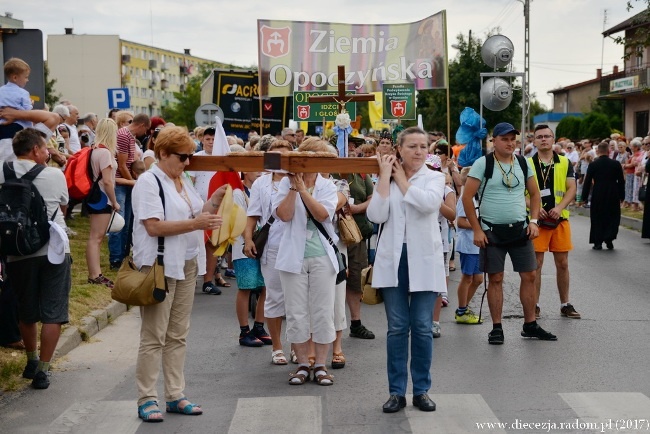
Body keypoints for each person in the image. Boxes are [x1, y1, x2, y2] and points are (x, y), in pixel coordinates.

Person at [132, 126, 225, 422]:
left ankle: (175, 394)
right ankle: (147, 397)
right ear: (163, 154)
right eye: (183, 157)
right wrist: (197, 224)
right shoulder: (148, 182)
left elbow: (198, 212)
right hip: (159, 265)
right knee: (153, 335)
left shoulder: (182, 179)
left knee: (178, 334)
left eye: (189, 156)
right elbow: (154, 226)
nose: (188, 162)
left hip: (186, 262)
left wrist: (218, 197)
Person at [367, 127, 445, 414]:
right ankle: (396, 392)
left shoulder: (435, 177)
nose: (418, 151)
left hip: (424, 260)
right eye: (411, 146)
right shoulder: (384, 175)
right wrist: (387, 179)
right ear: (398, 149)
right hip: (394, 257)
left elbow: (429, 205)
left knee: (423, 328)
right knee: (397, 328)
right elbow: (376, 215)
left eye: (423, 146)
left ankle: (421, 390)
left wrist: (401, 179)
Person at [462, 122, 557, 345]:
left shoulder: (523, 163)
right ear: (493, 141)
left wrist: (533, 221)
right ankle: (497, 328)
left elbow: (535, 195)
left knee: (530, 276)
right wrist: (476, 229)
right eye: (504, 139)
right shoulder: (482, 164)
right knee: (496, 278)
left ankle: (530, 324)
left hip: (520, 230)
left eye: (513, 138)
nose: (510, 142)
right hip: (492, 232)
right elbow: (467, 198)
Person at [3, 128, 71, 390]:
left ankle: (30, 360)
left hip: (16, 249)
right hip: (53, 249)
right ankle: (43, 370)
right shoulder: (54, 174)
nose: (48, 152)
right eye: (45, 148)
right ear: (35, 150)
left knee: (27, 309)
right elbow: (64, 204)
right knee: (54, 312)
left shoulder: (2, 172)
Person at [273, 139, 339, 386]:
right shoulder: (284, 184)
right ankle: (302, 364)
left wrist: (303, 190)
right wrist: (293, 187)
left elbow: (323, 215)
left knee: (323, 310)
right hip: (292, 256)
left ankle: (321, 364)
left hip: (321, 255)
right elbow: (284, 215)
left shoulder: (327, 186)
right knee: (296, 311)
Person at [244, 140, 293, 364]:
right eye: (276, 156)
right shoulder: (261, 183)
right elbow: (253, 214)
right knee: (274, 295)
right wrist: (247, 239)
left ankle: (297, 344)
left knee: (297, 299)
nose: (280, 160)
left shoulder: (298, 179)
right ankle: (277, 347)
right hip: (272, 244)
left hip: (297, 243)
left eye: (285, 156)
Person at [527, 125, 579, 319]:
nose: (543, 139)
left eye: (547, 136)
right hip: (536, 221)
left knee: (563, 263)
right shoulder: (527, 163)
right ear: (534, 141)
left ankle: (565, 303)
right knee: (536, 264)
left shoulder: (565, 162)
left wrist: (559, 208)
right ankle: (535, 304)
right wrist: (533, 206)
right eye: (539, 137)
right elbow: (517, 192)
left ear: (553, 139)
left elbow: (571, 188)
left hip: (560, 219)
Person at [187, 126, 230, 292]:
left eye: (214, 139)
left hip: (218, 207)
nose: (211, 142)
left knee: (213, 244)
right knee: (194, 241)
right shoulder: (196, 159)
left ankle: (208, 281)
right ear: (202, 140)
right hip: (199, 205)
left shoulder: (223, 159)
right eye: (208, 139)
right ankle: (190, 279)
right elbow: (189, 182)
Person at [232, 169, 271, 347]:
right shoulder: (238, 193)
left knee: (265, 288)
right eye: (256, 171)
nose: (260, 174)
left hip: (263, 245)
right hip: (243, 246)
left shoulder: (263, 190)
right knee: (245, 287)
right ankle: (244, 331)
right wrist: (251, 237)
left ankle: (259, 327)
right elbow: (239, 221)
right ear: (246, 171)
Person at [109, 113, 150, 270]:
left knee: (126, 224)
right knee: (119, 224)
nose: (145, 133)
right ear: (141, 125)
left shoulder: (129, 136)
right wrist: (134, 184)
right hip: (121, 184)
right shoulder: (124, 135)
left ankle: (123, 256)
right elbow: (122, 165)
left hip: (126, 183)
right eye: (145, 129)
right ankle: (116, 258)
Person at [86, 118, 120, 288]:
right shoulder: (105, 152)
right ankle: (95, 274)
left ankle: (95, 273)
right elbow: (107, 181)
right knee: (96, 237)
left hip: (95, 196)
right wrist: (114, 201)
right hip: (102, 198)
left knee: (95, 237)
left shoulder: (94, 149)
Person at [581, 141, 625, 250]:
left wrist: (584, 197)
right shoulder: (615, 164)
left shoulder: (593, 164)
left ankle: (598, 241)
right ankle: (609, 238)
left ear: (598, 151)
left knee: (597, 216)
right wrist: (622, 196)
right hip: (612, 192)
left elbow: (587, 181)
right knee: (612, 215)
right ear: (608, 151)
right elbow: (621, 181)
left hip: (598, 191)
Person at [454, 167, 483, 324]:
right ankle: (461, 310)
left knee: (478, 279)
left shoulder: (477, 197)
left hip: (478, 246)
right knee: (467, 277)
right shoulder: (466, 198)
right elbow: (460, 221)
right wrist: (478, 225)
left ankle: (464, 307)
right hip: (468, 245)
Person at [0, 58, 32, 131]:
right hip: (20, 127)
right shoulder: (23, 93)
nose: (27, 80)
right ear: (15, 78)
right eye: (26, 77)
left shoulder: (1, 90)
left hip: (2, 126)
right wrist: (31, 104)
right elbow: (28, 112)